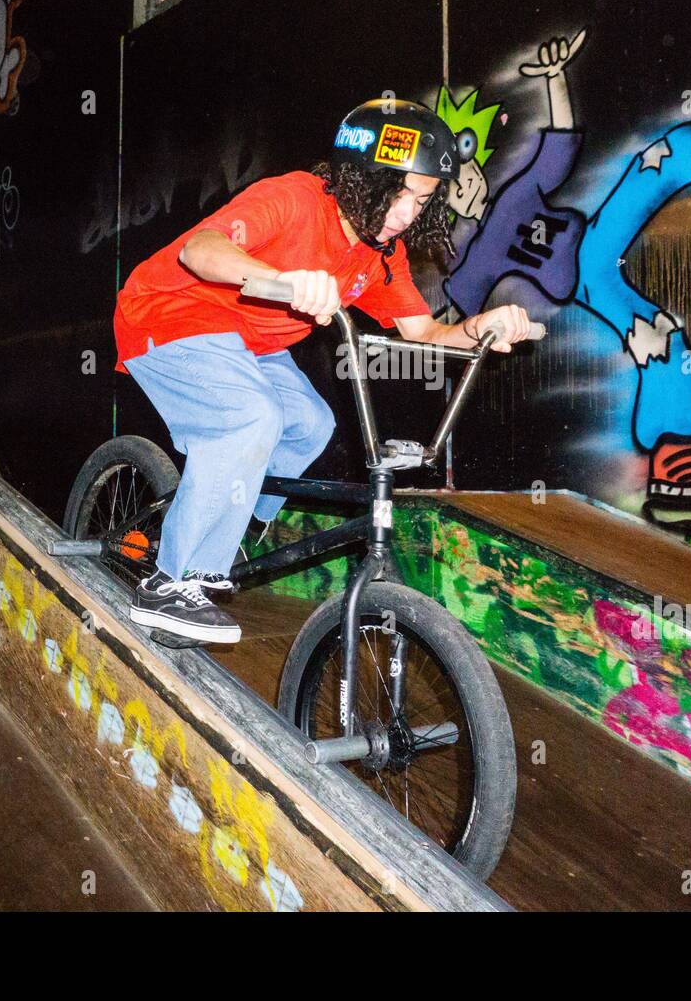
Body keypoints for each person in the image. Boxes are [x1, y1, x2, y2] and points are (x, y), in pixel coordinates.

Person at [113, 99, 532, 644]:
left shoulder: (382, 254)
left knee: (312, 424)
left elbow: (425, 334)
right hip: (169, 316)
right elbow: (201, 251)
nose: (405, 214)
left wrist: (484, 326)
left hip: (250, 345)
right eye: (397, 193)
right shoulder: (293, 199)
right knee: (252, 418)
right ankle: (168, 584)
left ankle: (237, 526)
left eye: (421, 200)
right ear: (362, 179)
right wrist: (286, 281)